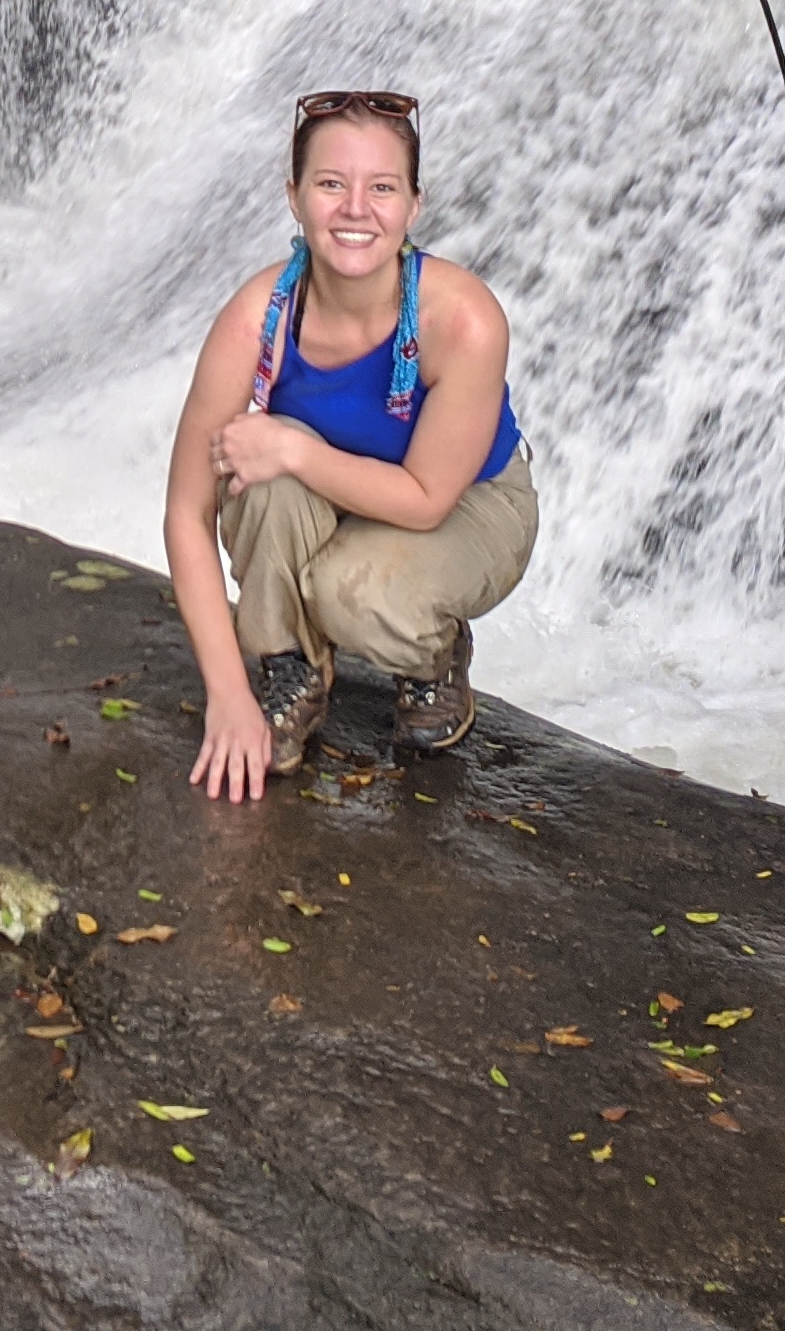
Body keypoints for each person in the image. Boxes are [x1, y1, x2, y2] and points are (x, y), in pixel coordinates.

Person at [162, 88, 537, 800]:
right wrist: (226, 693)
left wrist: (295, 451)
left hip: (469, 505)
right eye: (331, 184)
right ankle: (288, 670)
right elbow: (186, 513)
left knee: (346, 586)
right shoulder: (256, 320)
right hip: (334, 500)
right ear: (294, 198)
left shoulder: (463, 320)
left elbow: (427, 501)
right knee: (253, 473)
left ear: (414, 206)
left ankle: (433, 658)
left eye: (383, 188)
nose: (356, 209)